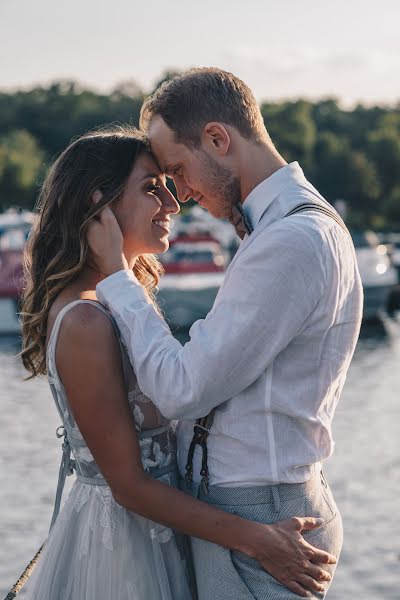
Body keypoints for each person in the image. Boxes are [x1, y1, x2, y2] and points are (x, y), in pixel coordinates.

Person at [19, 125, 335, 600]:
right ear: (97, 206)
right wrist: (259, 541)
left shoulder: (114, 303)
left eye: (170, 185)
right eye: (152, 188)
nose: (172, 203)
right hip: (124, 550)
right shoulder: (85, 322)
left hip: (171, 534)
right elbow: (127, 486)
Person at [87, 68, 364, 600]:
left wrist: (118, 282)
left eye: (179, 170)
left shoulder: (292, 241)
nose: (182, 194)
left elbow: (181, 390)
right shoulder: (292, 227)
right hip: (254, 505)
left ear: (218, 138)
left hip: (260, 512)